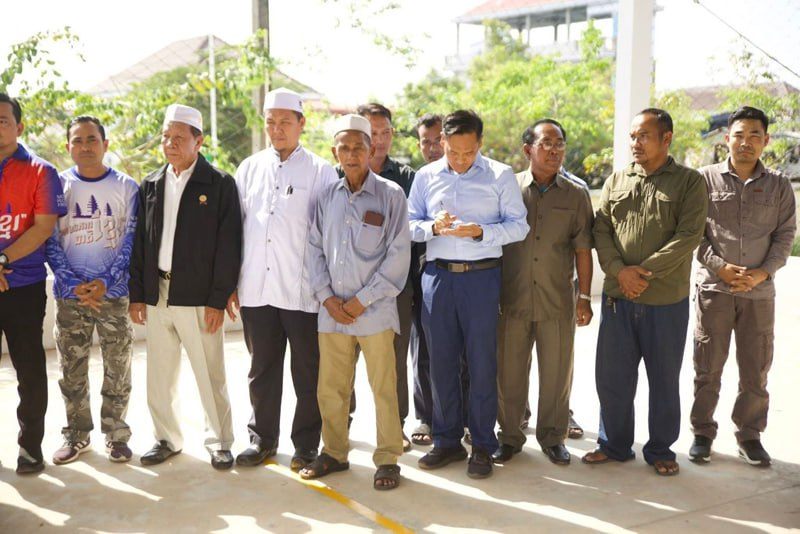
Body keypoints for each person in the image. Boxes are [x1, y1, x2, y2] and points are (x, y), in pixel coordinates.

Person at [585, 108, 707, 476]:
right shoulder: (617, 180)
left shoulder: (689, 182)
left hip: (665, 303)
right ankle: (614, 444)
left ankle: (660, 450)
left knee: (664, 380)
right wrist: (620, 272)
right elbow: (601, 230)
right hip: (618, 299)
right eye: (633, 136)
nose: (636, 143)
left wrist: (642, 273)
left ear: (666, 138)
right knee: (613, 378)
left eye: (644, 136)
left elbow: (688, 236)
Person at [409, 110, 529, 479]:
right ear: (442, 142)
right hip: (438, 279)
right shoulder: (425, 176)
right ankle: (446, 441)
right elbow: (409, 224)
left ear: (479, 143)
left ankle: (481, 445)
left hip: (481, 278)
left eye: (469, 152)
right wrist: (432, 227)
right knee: (440, 363)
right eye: (453, 151)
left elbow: (519, 226)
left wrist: (481, 233)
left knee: (481, 364)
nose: (461, 160)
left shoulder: (500, 175)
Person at [229, 88, 337, 471]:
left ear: (301, 124)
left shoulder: (321, 171)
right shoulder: (248, 168)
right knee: (261, 370)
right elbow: (235, 230)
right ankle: (262, 440)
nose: (277, 129)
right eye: (271, 122)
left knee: (308, 373)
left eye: (285, 122)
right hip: (256, 289)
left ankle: (306, 445)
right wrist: (230, 284)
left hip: (303, 290)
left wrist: (327, 290)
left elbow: (328, 233)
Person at [300, 114, 410, 491]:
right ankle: (334, 452)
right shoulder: (325, 197)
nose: (351, 154)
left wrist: (362, 301)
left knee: (384, 388)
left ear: (371, 149)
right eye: (344, 148)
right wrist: (327, 299)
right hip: (332, 313)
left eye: (358, 148)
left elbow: (398, 256)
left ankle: (388, 458)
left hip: (375, 312)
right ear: (335, 152)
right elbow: (314, 250)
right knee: (331, 388)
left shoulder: (391, 195)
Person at [129, 104, 242, 470]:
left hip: (200, 297)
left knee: (210, 374)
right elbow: (141, 243)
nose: (170, 144)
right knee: (159, 375)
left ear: (199, 141)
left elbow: (229, 246)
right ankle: (166, 439)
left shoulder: (219, 184)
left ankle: (220, 441)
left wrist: (217, 299)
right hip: (158, 293)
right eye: (166, 136)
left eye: (179, 137)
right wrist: (138, 294)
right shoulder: (151, 184)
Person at [689, 106, 796, 467]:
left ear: (766, 141)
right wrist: (720, 267)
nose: (745, 142)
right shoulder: (704, 180)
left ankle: (749, 435)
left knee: (756, 368)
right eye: (739, 134)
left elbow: (785, 236)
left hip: (759, 294)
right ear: (727, 138)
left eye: (754, 135)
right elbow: (693, 233)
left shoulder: (779, 185)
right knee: (708, 366)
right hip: (714, 291)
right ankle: (702, 432)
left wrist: (763, 272)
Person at [493, 119, 594, 465]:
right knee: (509, 375)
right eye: (546, 143)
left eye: (560, 143)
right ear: (528, 150)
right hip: (512, 299)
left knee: (557, 375)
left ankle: (553, 437)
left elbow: (583, 249)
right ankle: (509, 436)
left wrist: (583, 298)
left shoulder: (576, 194)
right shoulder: (507, 188)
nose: (554, 150)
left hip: (557, 301)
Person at [46, 116, 138, 465]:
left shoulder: (126, 187)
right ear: (68, 146)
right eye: (77, 140)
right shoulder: (57, 186)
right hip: (70, 297)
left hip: (112, 294)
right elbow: (49, 239)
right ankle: (76, 435)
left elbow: (131, 240)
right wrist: (73, 283)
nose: (85, 147)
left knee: (118, 367)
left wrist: (105, 282)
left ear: (105, 144)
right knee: (71, 369)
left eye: (92, 139)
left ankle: (116, 435)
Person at [337, 103, 416, 451]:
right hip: (344, 290)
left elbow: (408, 237)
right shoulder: (336, 177)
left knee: (392, 363)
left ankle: (394, 427)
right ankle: (342, 423)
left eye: (385, 133)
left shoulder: (406, 179)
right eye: (372, 133)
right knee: (344, 361)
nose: (379, 140)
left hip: (393, 288)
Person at [0, 93, 67, 475]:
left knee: (29, 370)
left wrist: (3, 260)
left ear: (19, 126)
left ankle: (30, 448)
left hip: (23, 287)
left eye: (3, 121)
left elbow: (42, 228)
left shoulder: (42, 171)